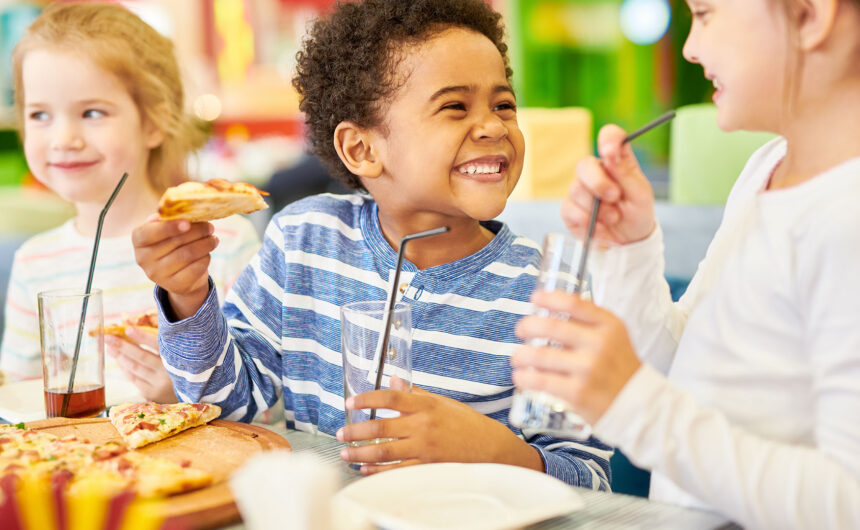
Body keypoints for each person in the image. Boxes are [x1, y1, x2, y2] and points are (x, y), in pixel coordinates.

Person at [132, 0, 612, 487]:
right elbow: (225, 402)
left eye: (504, 105)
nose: (493, 126)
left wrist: (497, 451)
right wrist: (188, 295)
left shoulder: (546, 290)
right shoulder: (304, 240)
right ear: (362, 149)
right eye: (454, 107)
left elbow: (591, 478)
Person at [511, 0, 860, 526]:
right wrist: (631, 247)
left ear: (810, 16)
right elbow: (680, 368)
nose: (691, 47)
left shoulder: (847, 214)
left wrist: (636, 406)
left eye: (705, 13)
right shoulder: (766, 168)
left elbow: (846, 502)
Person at [0, 3, 260, 403]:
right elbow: (18, 404)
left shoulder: (221, 241)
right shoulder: (34, 262)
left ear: (154, 122)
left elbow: (269, 405)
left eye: (91, 112)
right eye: (39, 115)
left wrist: (185, 390)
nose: (63, 138)